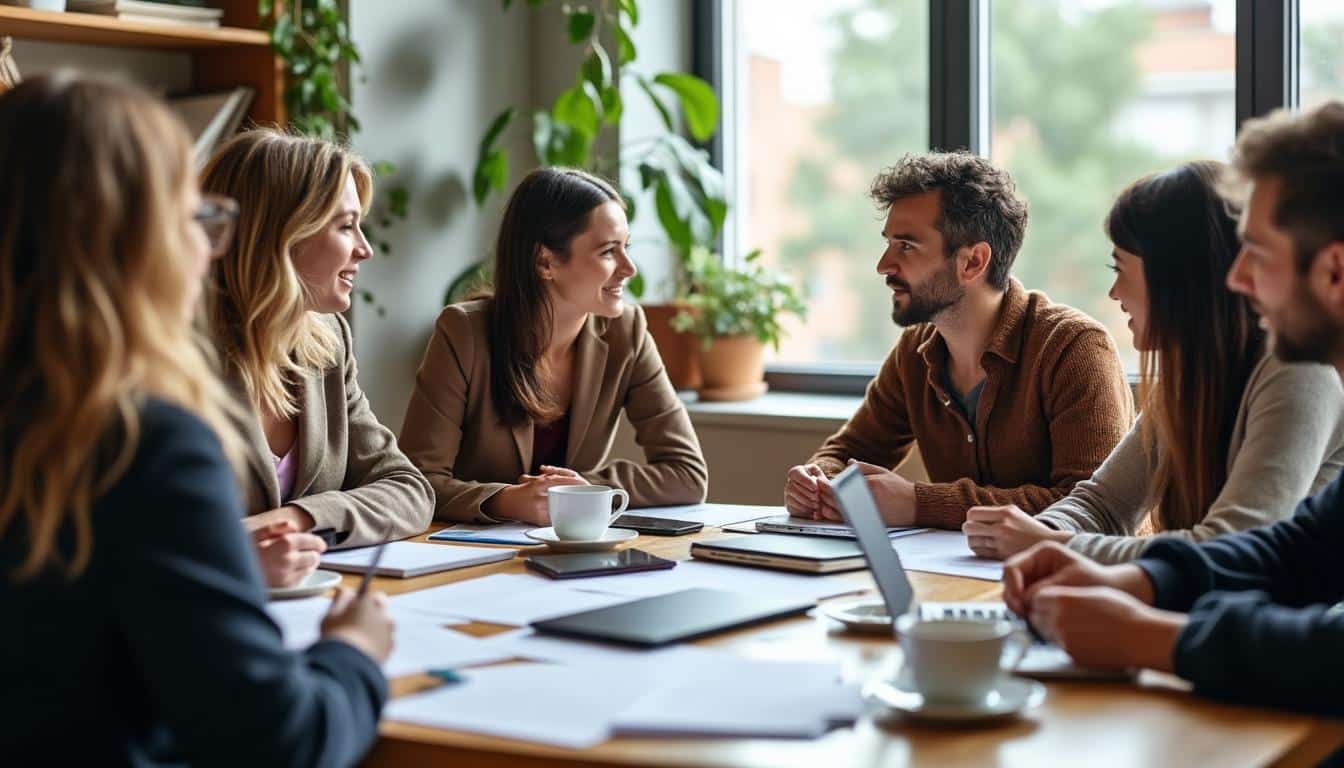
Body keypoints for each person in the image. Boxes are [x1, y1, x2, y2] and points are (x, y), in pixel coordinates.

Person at [0, 73, 391, 764]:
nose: (211, 247)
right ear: (134, 241)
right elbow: (283, 744)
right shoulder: (140, 439)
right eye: (195, 218)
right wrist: (353, 652)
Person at [1003, 101, 1344, 714]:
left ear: (1335, 271)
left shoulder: (1301, 376)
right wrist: (1139, 580)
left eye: (1257, 253)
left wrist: (1147, 635)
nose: (1233, 279)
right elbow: (1292, 552)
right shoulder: (1194, 377)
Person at [963, 162, 1344, 563]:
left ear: (1175, 279)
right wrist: (1042, 531)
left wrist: (1050, 545)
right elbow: (1104, 504)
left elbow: (1231, 548)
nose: (1114, 292)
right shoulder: (1190, 377)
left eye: (1120, 268)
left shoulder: (1300, 373)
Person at [786, 152, 1133, 530]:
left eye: (906, 245)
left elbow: (1090, 509)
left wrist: (921, 504)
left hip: (1083, 582)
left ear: (972, 262)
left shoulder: (1074, 349)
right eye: (888, 243)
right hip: (969, 578)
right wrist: (819, 481)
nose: (883, 265)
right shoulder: (916, 351)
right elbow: (847, 452)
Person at [401, 167, 708, 524]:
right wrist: (503, 501)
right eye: (609, 251)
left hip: (571, 547)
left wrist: (584, 490)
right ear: (545, 262)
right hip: (471, 554)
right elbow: (417, 482)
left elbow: (687, 474)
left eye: (627, 248)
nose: (629, 268)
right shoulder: (464, 333)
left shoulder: (627, 331)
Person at [202, 129, 434, 587]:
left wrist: (297, 520)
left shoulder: (327, 342)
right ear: (282, 235)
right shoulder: (173, 356)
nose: (365, 249)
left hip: (308, 605)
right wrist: (229, 550)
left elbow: (409, 491)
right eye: (345, 226)